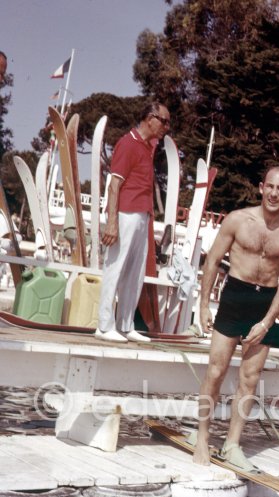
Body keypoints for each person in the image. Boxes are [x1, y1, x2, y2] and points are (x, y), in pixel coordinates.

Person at [192, 166, 279, 470]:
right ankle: (202, 437)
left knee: (249, 380)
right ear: (260, 186)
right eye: (269, 186)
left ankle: (231, 444)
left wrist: (267, 321)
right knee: (215, 372)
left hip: (264, 303)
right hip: (234, 297)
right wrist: (203, 306)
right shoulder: (238, 220)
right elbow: (213, 260)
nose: (274, 193)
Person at [95, 101, 170, 343]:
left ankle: (125, 325)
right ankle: (104, 326)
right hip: (125, 213)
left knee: (135, 273)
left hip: (141, 215)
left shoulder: (147, 147)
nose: (166, 127)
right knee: (115, 267)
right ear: (150, 118)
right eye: (164, 121)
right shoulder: (127, 143)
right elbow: (114, 184)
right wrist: (112, 222)